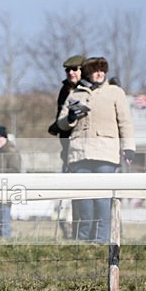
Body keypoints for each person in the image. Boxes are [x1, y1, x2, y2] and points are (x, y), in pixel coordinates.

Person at [57, 57, 135, 243]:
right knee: (83, 200)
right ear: (88, 73)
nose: (99, 74)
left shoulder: (115, 92)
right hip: (79, 154)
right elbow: (61, 122)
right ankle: (84, 240)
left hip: (105, 154)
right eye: (95, 70)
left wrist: (129, 147)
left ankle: (101, 240)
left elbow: (125, 122)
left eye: (102, 70)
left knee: (102, 200)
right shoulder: (75, 94)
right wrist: (70, 118)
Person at [49, 55, 85, 239]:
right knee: (72, 195)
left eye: (75, 69)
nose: (71, 73)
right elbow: (60, 116)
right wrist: (57, 125)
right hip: (69, 150)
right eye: (68, 70)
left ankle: (87, 232)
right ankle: (74, 233)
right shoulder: (65, 90)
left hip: (88, 150)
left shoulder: (87, 91)